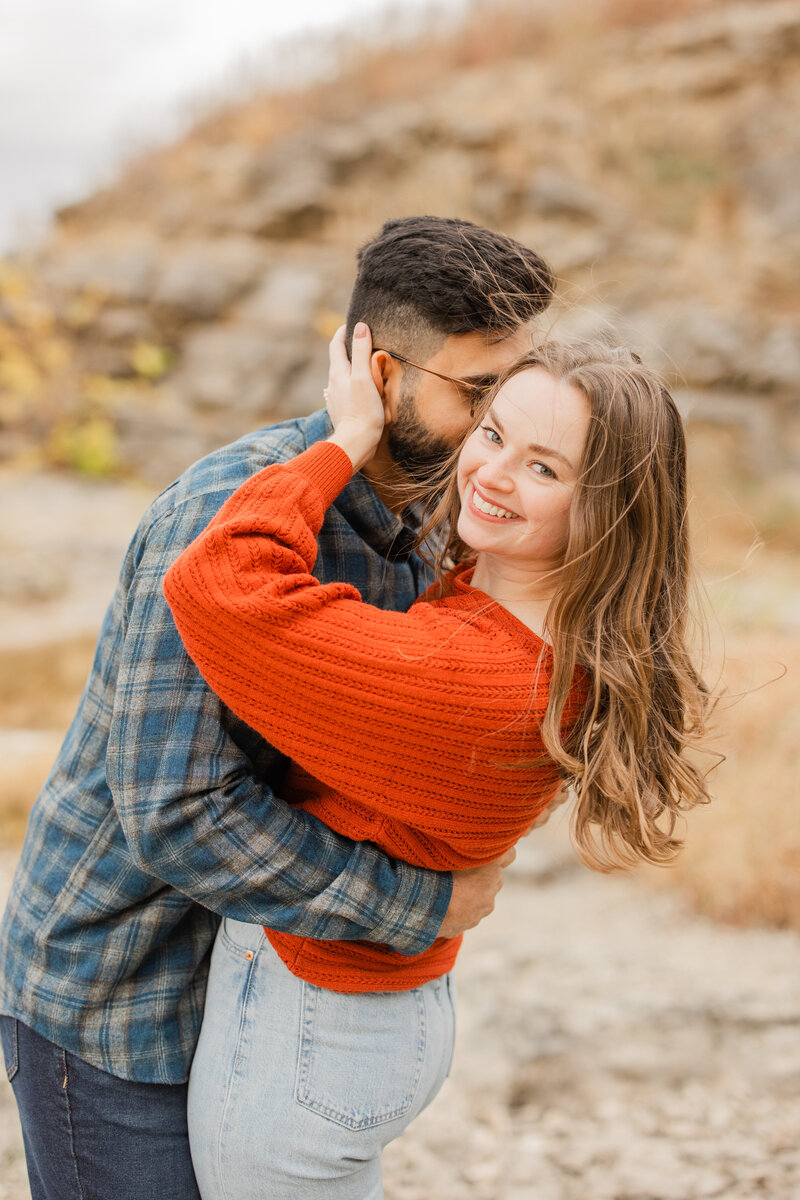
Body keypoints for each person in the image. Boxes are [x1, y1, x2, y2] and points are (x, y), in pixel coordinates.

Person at [0, 216, 556, 1200]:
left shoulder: (438, 515)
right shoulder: (220, 521)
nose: (491, 434)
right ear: (380, 377)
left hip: (260, 987)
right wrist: (419, 905)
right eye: (477, 394)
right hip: (118, 992)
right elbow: (176, 814)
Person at [164, 324, 713, 1199]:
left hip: (315, 1026)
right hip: (370, 1016)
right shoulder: (550, 631)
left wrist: (344, 440)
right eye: (492, 433)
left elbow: (218, 583)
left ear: (605, 510)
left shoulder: (471, 678)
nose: (490, 474)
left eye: (544, 467)